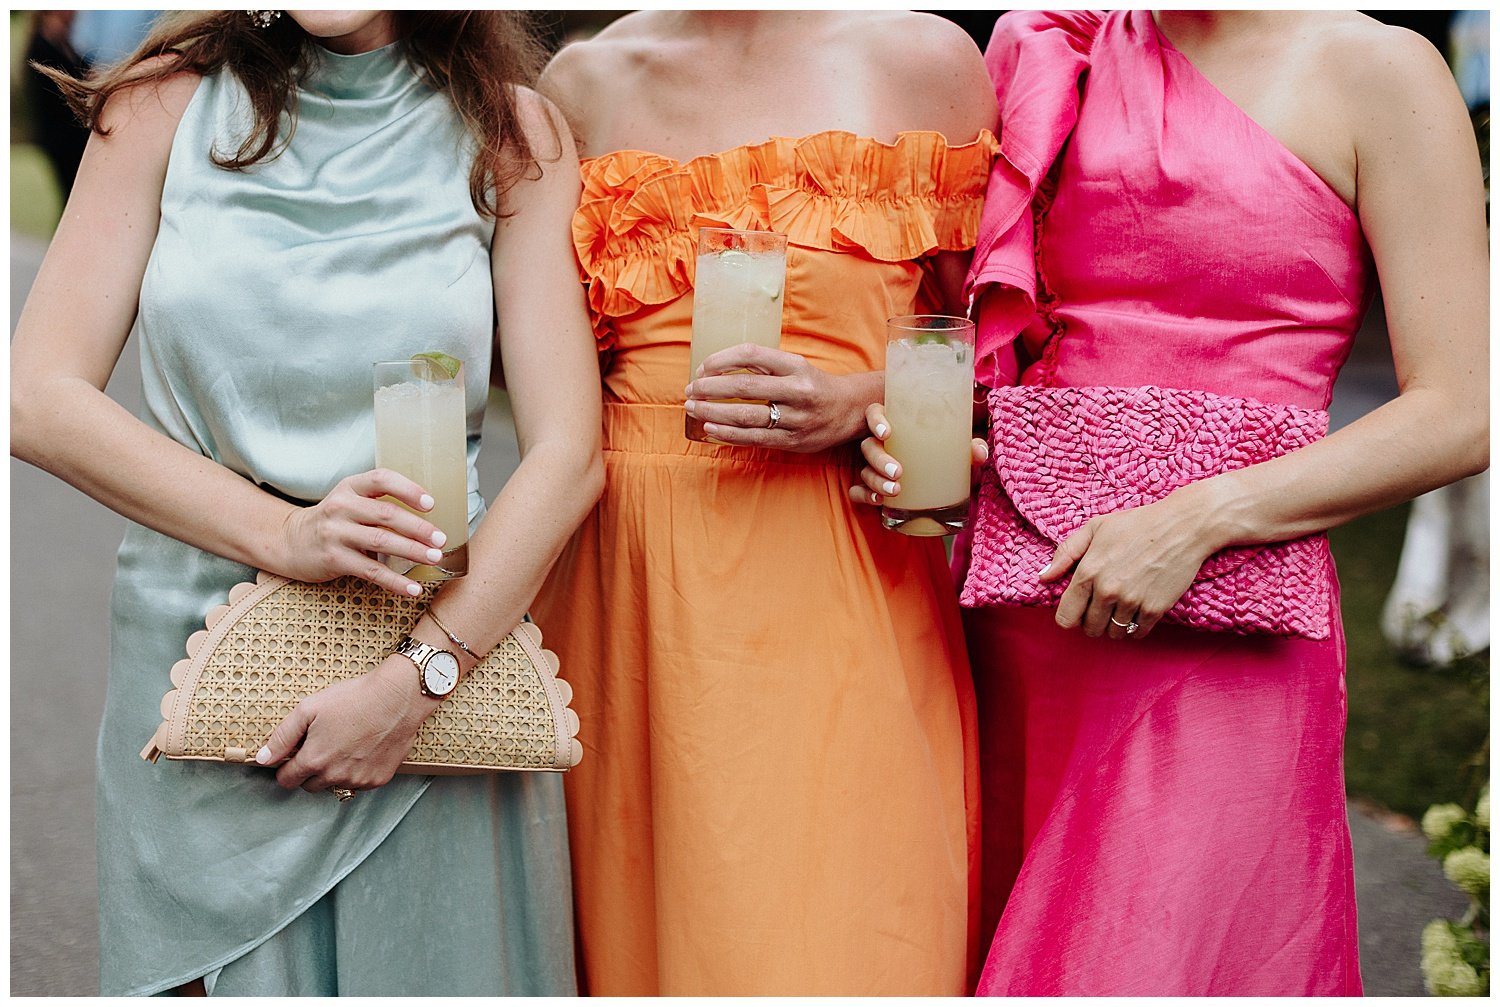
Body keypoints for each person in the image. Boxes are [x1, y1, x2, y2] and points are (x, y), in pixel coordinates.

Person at [855, 8, 1489, 996]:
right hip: (1024, 616)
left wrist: (1195, 520)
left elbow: (1462, 408)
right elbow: (975, 334)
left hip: (1226, 633)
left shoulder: (1381, 70)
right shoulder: (1046, 47)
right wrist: (920, 437)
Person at [11, 10, 602, 997]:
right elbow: (38, 396)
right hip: (199, 676)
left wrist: (418, 685)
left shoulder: (513, 132)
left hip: (433, 664)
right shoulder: (158, 107)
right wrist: (283, 532)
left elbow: (569, 453)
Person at [530, 10, 997, 995]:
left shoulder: (922, 61)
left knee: (849, 934)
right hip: (630, 588)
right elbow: (538, 382)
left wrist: (859, 402)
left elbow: (992, 350)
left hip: (843, 576)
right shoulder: (583, 81)